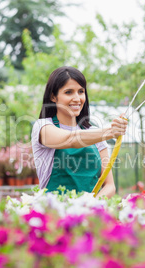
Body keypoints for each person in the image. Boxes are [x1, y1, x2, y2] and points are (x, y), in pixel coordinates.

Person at [31, 66, 128, 198]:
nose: (77, 98)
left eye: (81, 91)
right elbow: (70, 139)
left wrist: (91, 205)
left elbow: (109, 185)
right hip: (54, 212)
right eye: (69, 92)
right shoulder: (43, 126)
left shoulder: (93, 133)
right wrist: (110, 131)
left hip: (90, 213)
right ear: (53, 97)